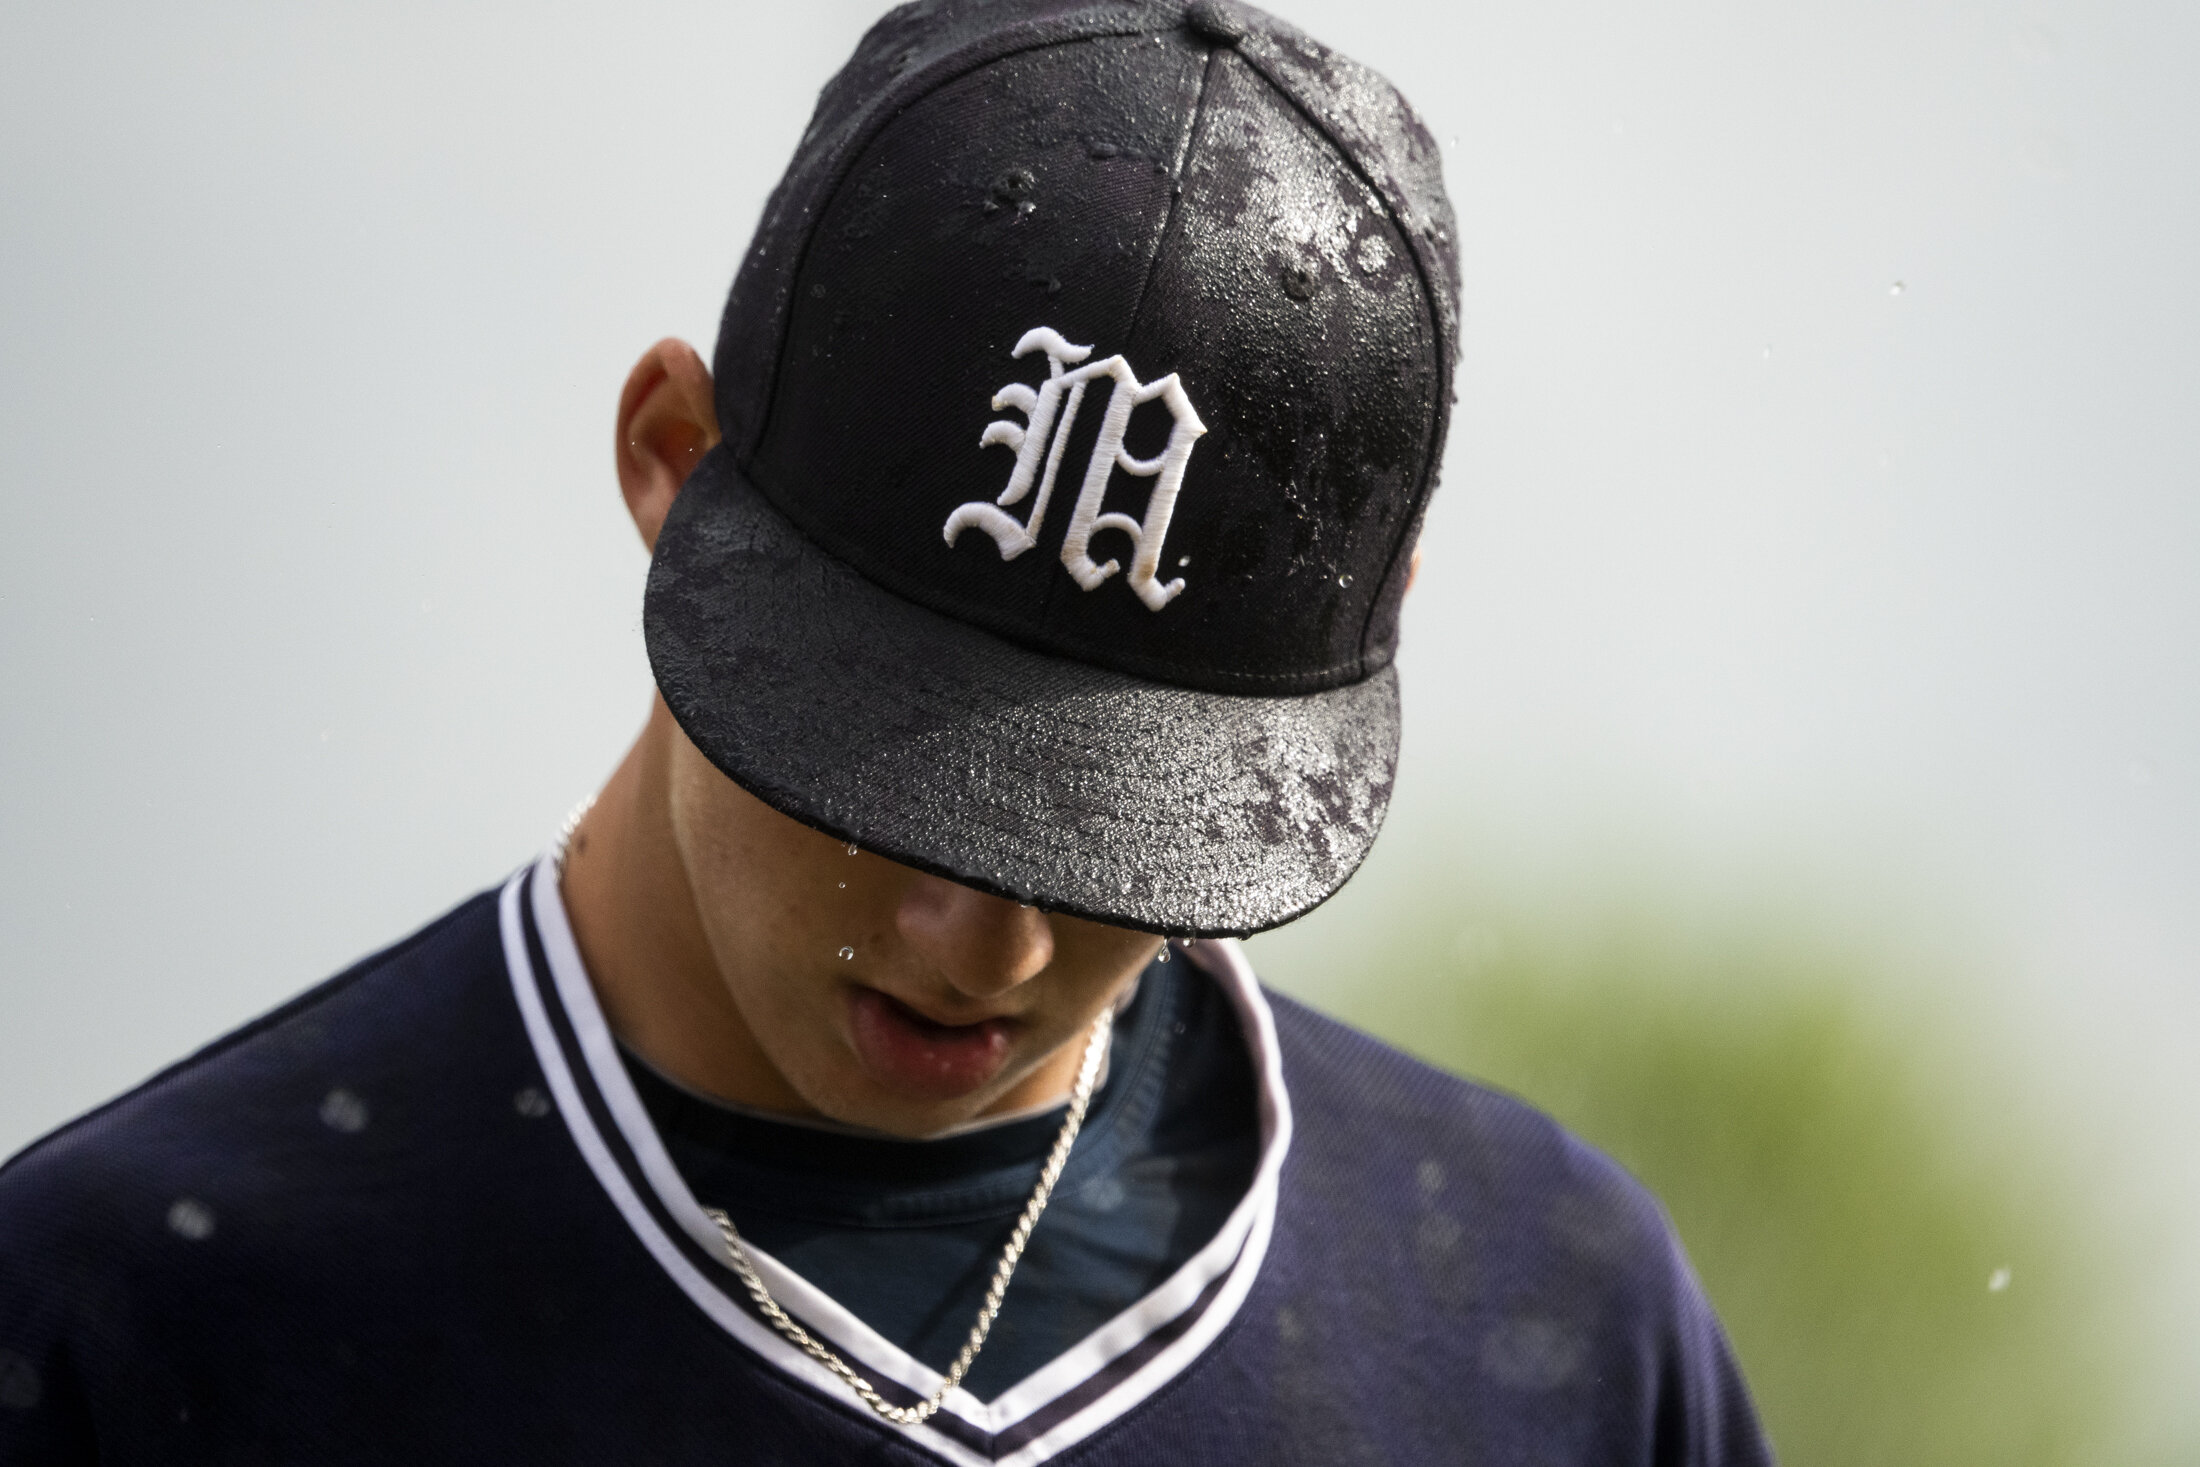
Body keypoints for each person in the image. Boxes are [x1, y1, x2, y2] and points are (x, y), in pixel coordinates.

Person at [0, 2, 1773, 1462]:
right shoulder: (131, 1334)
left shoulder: (1563, 1346)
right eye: (899, 779)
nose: (983, 943)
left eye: (1109, 834)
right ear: (675, 463)